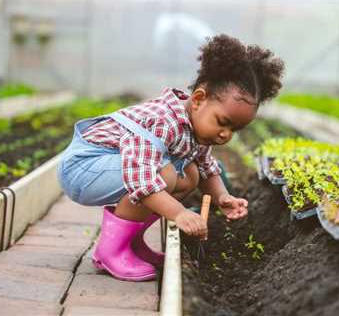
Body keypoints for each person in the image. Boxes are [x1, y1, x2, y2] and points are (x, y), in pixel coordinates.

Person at [57, 34, 285, 281]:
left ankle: (131, 243)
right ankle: (109, 251)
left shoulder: (196, 129)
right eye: (223, 123)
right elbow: (142, 180)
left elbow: (207, 168)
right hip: (82, 169)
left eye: (234, 130)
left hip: (111, 168)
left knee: (190, 175)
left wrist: (222, 197)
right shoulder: (163, 121)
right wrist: (179, 213)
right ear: (198, 99)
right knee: (163, 174)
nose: (225, 135)